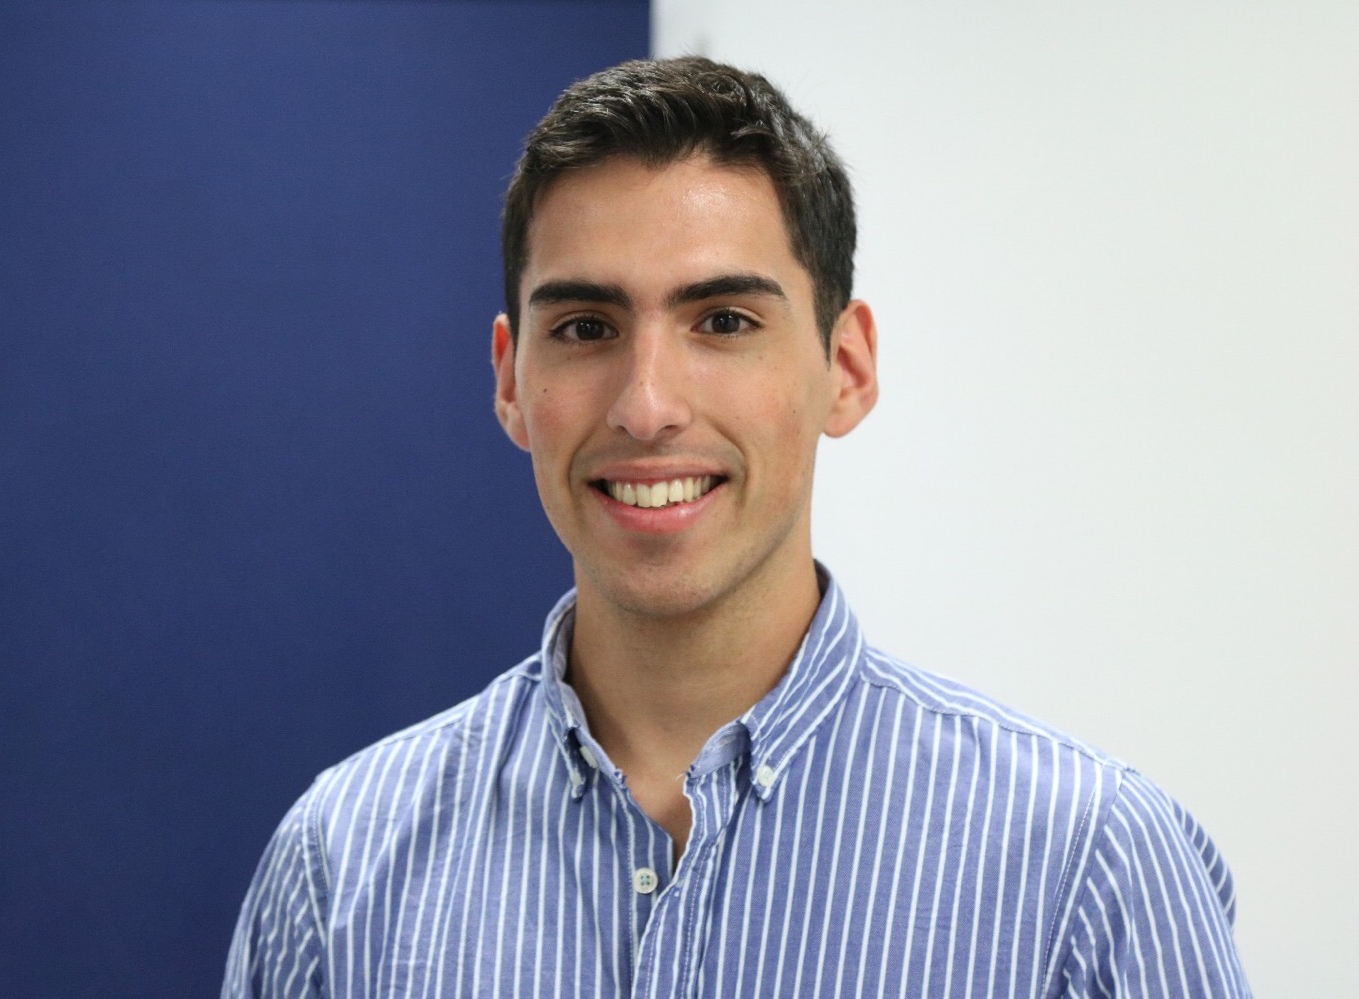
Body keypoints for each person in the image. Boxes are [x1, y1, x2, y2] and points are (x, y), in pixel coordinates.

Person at [223, 57, 1251, 998]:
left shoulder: (1089, 870)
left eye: (722, 321)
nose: (647, 406)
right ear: (509, 380)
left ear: (845, 368)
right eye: (585, 327)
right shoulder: (339, 869)